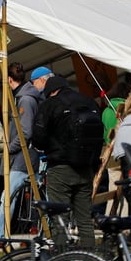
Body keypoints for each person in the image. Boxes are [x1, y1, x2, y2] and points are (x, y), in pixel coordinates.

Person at [32, 76, 103, 248]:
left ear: (51, 92)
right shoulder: (89, 102)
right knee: (85, 219)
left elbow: (38, 139)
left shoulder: (50, 104)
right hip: (86, 167)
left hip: (60, 168)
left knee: (59, 219)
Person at [0, 62, 41, 240]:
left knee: (7, 198)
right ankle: (0, 235)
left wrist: (8, 149)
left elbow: (25, 133)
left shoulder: (25, 100)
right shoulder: (23, 97)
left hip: (23, 158)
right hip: (23, 157)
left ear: (9, 80)